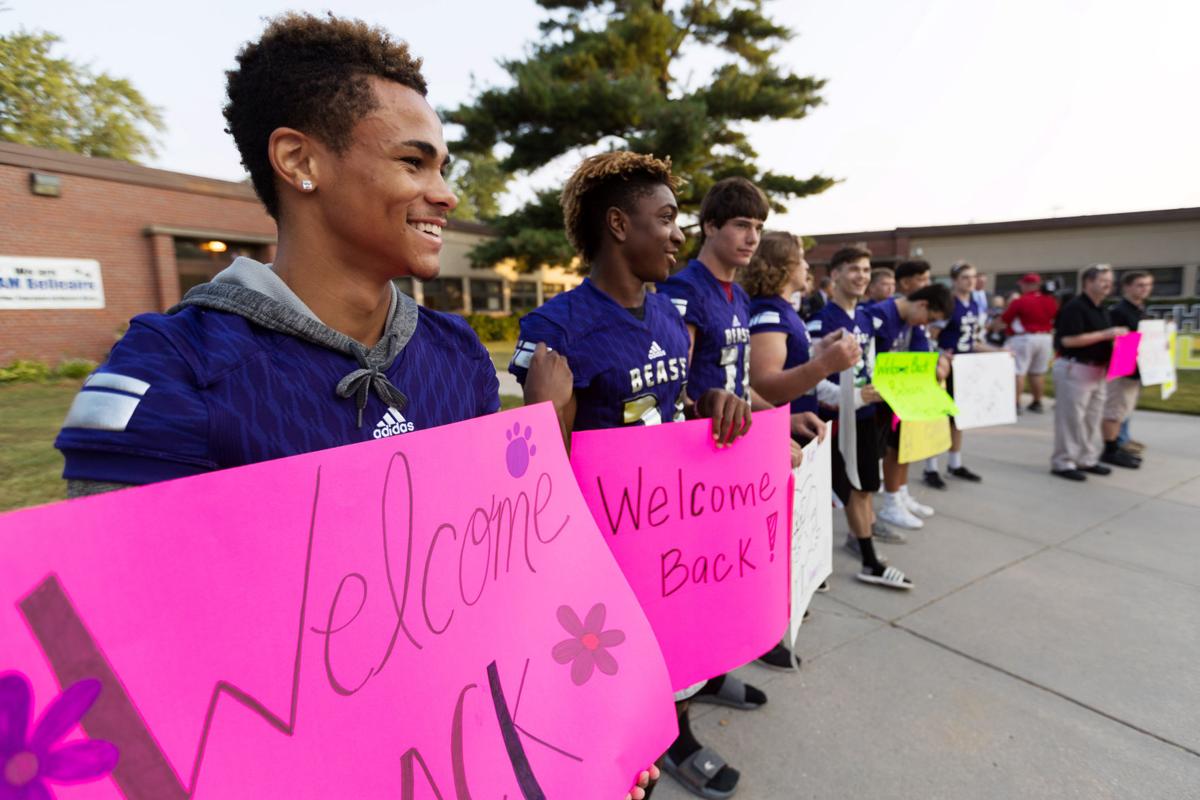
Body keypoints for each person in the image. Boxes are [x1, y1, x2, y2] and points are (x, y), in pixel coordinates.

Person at [53, 14, 653, 800]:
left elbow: (501, 582)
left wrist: (583, 733)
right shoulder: (174, 374)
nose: (444, 192)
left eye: (443, 164)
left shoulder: (455, 354)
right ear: (300, 160)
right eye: (414, 162)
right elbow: (118, 662)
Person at [655, 176, 791, 798]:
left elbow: (738, 384)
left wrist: (780, 418)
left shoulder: (734, 296)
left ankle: (710, 676)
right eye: (740, 224)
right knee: (681, 595)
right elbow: (676, 387)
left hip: (731, 466)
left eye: (758, 228)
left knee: (722, 583)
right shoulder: (683, 290)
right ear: (708, 225)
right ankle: (672, 732)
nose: (750, 237)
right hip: (688, 469)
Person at [744, 231, 856, 666]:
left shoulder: (780, 310)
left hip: (790, 428)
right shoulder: (768, 312)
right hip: (775, 434)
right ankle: (765, 630)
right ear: (782, 265)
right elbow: (766, 380)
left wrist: (816, 350)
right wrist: (825, 363)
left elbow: (789, 359)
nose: (808, 267)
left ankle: (779, 615)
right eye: (801, 259)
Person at [808, 247, 913, 589]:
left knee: (864, 486)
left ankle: (864, 554)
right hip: (830, 420)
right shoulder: (821, 320)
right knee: (828, 493)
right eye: (854, 269)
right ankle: (843, 562)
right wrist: (848, 397)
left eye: (867, 270)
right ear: (835, 274)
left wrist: (879, 388)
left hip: (867, 416)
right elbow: (810, 377)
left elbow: (869, 366)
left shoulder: (867, 317)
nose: (862, 276)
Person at [870, 283, 955, 530]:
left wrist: (937, 364)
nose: (926, 324)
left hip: (901, 394)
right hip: (880, 397)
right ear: (922, 304)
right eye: (929, 318)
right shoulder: (881, 316)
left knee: (904, 446)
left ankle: (900, 494)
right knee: (891, 450)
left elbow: (921, 354)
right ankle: (891, 501)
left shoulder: (913, 323)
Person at [1050, 264, 1129, 481]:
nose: (1108, 285)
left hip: (1098, 370)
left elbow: (1104, 337)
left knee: (1091, 419)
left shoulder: (1102, 308)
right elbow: (1066, 340)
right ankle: (1063, 462)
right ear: (1088, 282)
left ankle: (1086, 458)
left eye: (1110, 281)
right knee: (1071, 418)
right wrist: (1105, 334)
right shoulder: (1074, 307)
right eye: (1103, 280)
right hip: (1075, 367)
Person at [923, 261, 997, 488]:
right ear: (954, 280)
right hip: (946, 366)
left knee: (960, 418)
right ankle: (931, 467)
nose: (970, 281)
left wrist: (1000, 351)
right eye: (965, 277)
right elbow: (930, 334)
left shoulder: (975, 305)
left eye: (973, 277)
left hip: (966, 368)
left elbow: (973, 341)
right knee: (939, 417)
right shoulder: (950, 304)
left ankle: (955, 463)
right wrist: (938, 356)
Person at [1101, 270, 1153, 468]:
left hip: (1138, 365)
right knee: (1115, 409)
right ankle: (1111, 448)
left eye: (1148, 285)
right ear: (1127, 287)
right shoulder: (1119, 311)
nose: (1145, 289)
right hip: (1124, 364)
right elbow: (1114, 341)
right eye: (1140, 285)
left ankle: (1120, 440)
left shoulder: (1140, 309)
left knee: (1125, 408)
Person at [1002, 273, 1058, 413]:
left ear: (1029, 285)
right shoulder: (1050, 300)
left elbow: (1006, 318)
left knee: (1019, 371)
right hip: (1046, 338)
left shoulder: (1021, 301)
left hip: (1025, 338)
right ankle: (1037, 402)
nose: (1021, 286)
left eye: (1023, 284)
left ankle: (1015, 404)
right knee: (1038, 372)